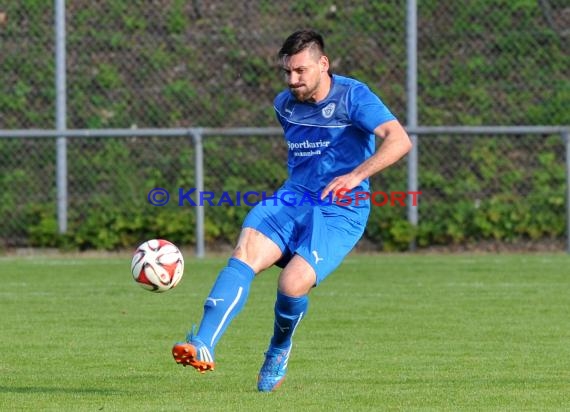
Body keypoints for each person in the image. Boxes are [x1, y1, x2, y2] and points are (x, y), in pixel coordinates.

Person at [172, 29, 412, 392]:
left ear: (323, 64)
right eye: (287, 72)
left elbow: (399, 140)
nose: (293, 80)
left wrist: (355, 175)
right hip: (293, 199)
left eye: (300, 71)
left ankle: (278, 349)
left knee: (292, 283)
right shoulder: (284, 104)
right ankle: (202, 342)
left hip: (342, 210)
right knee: (246, 250)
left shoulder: (354, 96)